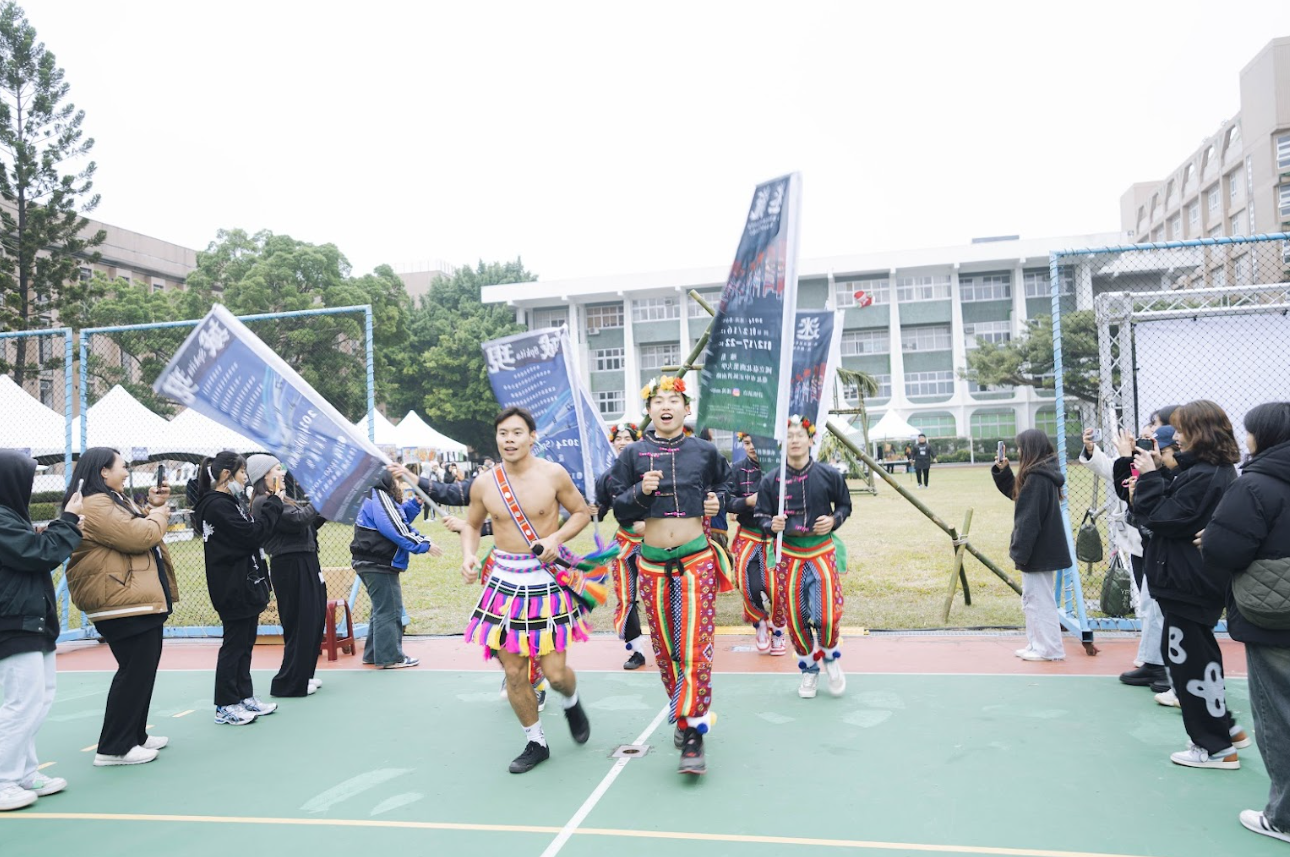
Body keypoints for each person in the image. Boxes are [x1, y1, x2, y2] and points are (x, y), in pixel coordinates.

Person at [459, 407, 593, 774]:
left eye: (517, 432)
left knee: (556, 673)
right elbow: (471, 525)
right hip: (504, 582)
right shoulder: (485, 483)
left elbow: (581, 512)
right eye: (503, 433)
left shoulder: (553, 474)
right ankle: (536, 741)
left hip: (546, 580)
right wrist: (469, 556)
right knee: (515, 672)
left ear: (532, 437)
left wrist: (556, 536)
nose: (510, 439)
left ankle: (571, 701)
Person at [611, 377, 731, 775]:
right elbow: (618, 507)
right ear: (649, 410)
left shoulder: (706, 451)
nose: (666, 406)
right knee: (665, 650)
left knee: (697, 646)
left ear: (686, 408)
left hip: (697, 560)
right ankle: (684, 707)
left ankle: (693, 733)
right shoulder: (632, 454)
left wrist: (720, 500)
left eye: (674, 399)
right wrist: (639, 493)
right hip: (651, 563)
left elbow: (724, 485)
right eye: (658, 400)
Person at [1132, 400, 1247, 770]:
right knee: (1197, 659)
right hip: (1191, 580)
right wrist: (1163, 469)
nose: (1175, 437)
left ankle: (1213, 746)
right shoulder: (1211, 470)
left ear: (1200, 433)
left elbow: (1163, 517)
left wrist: (1149, 478)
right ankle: (1225, 730)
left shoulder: (1206, 476)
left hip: (1186, 582)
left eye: (1182, 431)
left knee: (1188, 663)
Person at [1199, 402, 1290, 841]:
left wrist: (1210, 537)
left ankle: (1284, 817)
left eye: (1249, 430)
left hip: (1276, 619)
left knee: (1279, 714)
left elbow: (1224, 549)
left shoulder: (1257, 484)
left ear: (1265, 436)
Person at [64, 448, 176, 767]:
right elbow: (139, 536)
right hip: (119, 599)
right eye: (122, 467)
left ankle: (134, 735)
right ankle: (113, 747)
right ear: (103, 471)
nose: (126, 472)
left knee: (142, 668)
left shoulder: (112, 499)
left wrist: (153, 506)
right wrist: (160, 513)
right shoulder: (95, 503)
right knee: (134, 670)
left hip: (131, 597)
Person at [0, 450, 82, 812]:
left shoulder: (10, 516)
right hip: (13, 620)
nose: (31, 486)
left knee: (39, 698)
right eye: (27, 478)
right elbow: (37, 554)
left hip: (31, 618)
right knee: (22, 702)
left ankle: (22, 772)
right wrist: (68, 520)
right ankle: (3, 780)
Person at [755, 415, 853, 698]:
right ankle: (809, 670)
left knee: (826, 615)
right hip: (789, 555)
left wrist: (834, 520)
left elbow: (845, 505)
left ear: (811, 440)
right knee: (797, 617)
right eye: (789, 436)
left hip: (821, 550)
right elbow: (761, 515)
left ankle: (831, 659)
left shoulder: (829, 475)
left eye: (800, 435)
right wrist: (770, 525)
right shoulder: (772, 480)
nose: (795, 440)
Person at [192, 450, 284, 725]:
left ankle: (243, 695)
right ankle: (225, 704)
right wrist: (274, 506)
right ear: (225, 475)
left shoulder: (229, 503)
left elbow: (251, 531)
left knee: (245, 643)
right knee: (234, 645)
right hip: (231, 585)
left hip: (245, 582)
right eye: (242, 473)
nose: (245, 479)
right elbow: (252, 534)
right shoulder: (216, 505)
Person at [1109, 422, 1179, 699]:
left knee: (1161, 608)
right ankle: (1154, 663)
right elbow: (1128, 493)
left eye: (1154, 439)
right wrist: (1127, 460)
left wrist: (1147, 470)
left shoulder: (1180, 473)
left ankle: (1165, 670)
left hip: (1169, 548)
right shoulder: (1159, 471)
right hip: (1150, 545)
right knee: (1150, 604)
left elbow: (1153, 506)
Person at [247, 456, 327, 698]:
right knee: (300, 621)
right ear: (264, 475)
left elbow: (307, 525)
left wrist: (323, 510)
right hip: (290, 564)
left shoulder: (279, 499)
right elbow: (298, 520)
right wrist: (321, 501)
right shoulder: (264, 502)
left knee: (313, 617)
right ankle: (290, 682)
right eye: (276, 469)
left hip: (305, 560)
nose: (282, 473)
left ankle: (304, 675)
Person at [991, 430, 1071, 661]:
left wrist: (1019, 551)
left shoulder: (1037, 477)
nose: (1018, 452)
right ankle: (1038, 644)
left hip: (1039, 550)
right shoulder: (1041, 473)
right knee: (1033, 599)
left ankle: (1049, 648)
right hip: (1044, 549)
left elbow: (1028, 520)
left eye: (1020, 448)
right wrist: (1003, 471)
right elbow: (1017, 494)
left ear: (1029, 449)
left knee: (1039, 600)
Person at [351, 470, 440, 669]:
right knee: (390, 609)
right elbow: (396, 529)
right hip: (378, 563)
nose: (400, 484)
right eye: (398, 480)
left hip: (372, 561)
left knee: (381, 608)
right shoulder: (379, 497)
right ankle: (390, 657)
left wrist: (415, 504)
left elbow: (397, 518)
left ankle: (374, 654)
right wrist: (424, 544)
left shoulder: (377, 497)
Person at [595, 421, 648, 670]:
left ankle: (671, 645)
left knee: (659, 594)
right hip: (625, 543)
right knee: (626, 597)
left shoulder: (650, 471)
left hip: (654, 543)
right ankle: (636, 650)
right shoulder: (606, 477)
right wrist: (593, 510)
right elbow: (601, 510)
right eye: (619, 438)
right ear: (613, 443)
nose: (623, 442)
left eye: (628, 437)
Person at [729, 432, 774, 654]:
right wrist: (747, 501)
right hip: (749, 535)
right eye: (747, 443)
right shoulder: (736, 470)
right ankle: (761, 623)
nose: (752, 447)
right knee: (748, 585)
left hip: (777, 538)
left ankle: (779, 627)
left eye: (757, 442)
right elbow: (726, 501)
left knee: (779, 587)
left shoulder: (781, 467)